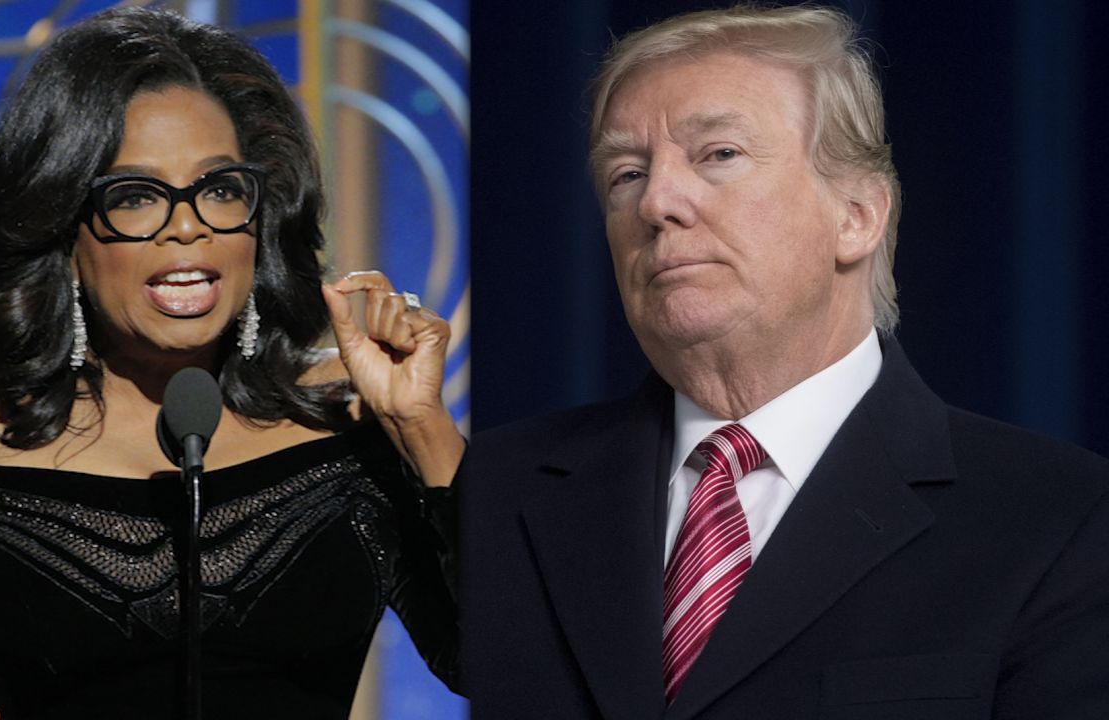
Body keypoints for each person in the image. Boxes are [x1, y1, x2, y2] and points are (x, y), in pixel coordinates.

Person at [461, 5, 1109, 719]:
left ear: (857, 216)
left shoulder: (1061, 520)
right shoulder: (490, 493)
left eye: (719, 155)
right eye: (626, 173)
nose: (656, 201)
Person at [0, 8, 464, 720]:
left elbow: (489, 657)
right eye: (134, 197)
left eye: (221, 188)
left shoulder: (342, 420)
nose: (189, 224)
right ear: (63, 227)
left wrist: (422, 429)